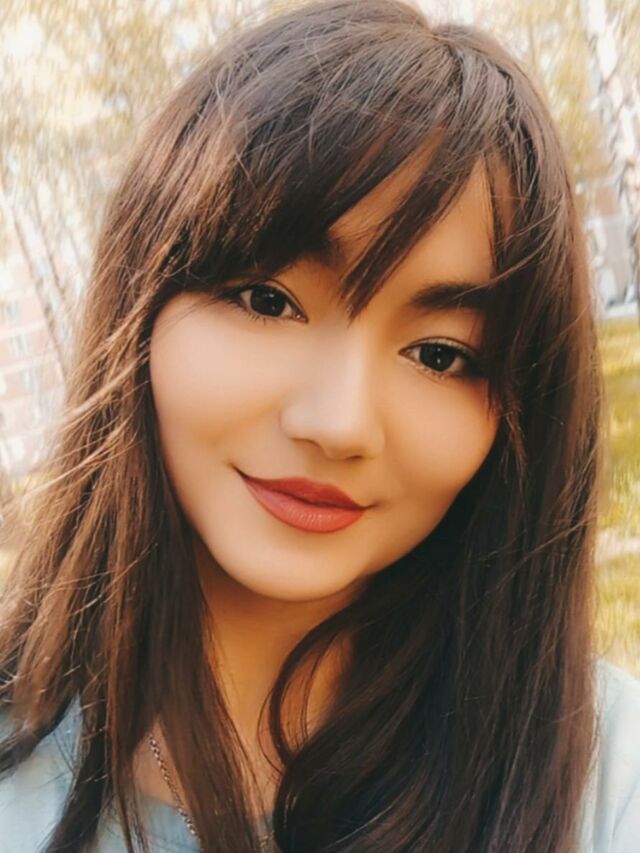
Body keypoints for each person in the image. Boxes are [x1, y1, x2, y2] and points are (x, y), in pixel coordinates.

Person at [0, 0, 638, 850]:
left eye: (440, 354)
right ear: (141, 304)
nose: (339, 424)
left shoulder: (603, 772)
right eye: (268, 301)